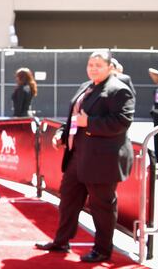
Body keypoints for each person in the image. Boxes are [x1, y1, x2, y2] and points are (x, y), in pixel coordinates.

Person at [36, 50, 135, 263]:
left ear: (110, 67)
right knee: (68, 200)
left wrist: (89, 123)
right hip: (77, 156)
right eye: (90, 65)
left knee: (102, 207)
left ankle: (102, 250)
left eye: (99, 65)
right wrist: (62, 134)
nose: (93, 69)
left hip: (102, 160)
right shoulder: (86, 86)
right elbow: (74, 117)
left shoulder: (119, 90)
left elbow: (122, 122)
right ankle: (61, 241)